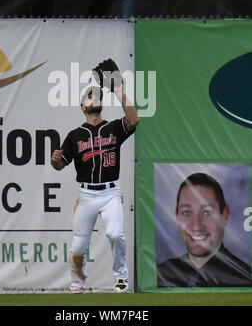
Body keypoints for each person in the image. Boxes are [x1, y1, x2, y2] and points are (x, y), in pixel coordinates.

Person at [52, 81, 139, 293]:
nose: (94, 98)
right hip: (87, 194)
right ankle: (77, 285)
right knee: (79, 245)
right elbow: (60, 165)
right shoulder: (75, 136)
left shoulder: (113, 128)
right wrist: (54, 160)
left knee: (115, 234)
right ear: (83, 107)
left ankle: (120, 277)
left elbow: (134, 119)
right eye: (90, 97)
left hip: (111, 192)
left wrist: (119, 91)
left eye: (97, 96)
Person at [157, 173, 252, 287]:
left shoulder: (244, 279)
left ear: (225, 215)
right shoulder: (161, 275)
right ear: (177, 216)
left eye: (207, 212)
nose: (196, 226)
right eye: (186, 213)